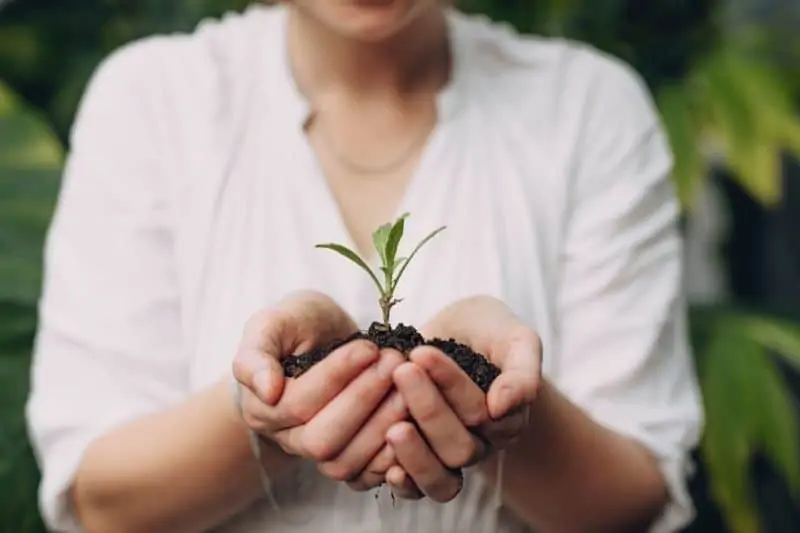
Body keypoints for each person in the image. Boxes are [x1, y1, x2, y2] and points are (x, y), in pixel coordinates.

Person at [25, 0, 703, 532]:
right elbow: (104, 504)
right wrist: (261, 411)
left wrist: (505, 405)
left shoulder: (587, 108)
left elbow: (629, 506)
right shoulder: (154, 102)